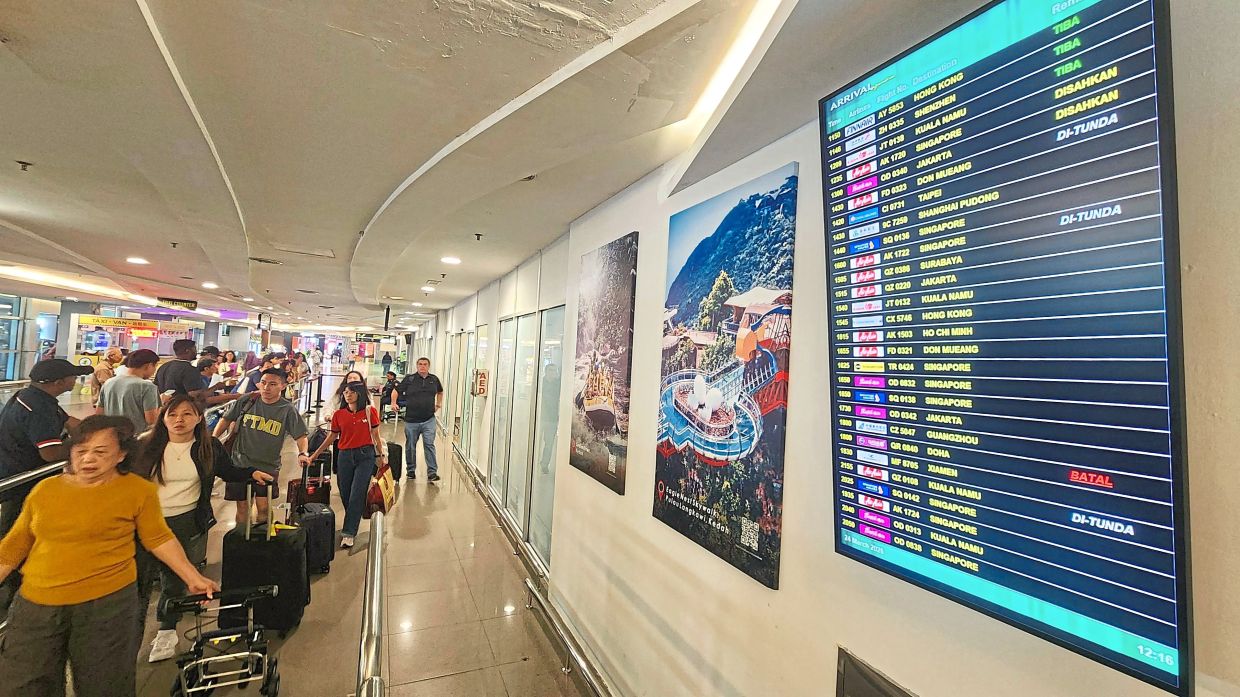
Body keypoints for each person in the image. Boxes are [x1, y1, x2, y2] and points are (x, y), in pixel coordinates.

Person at [0, 416, 217, 696]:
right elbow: (16, 543)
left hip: (106, 605)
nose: (88, 459)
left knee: (104, 684)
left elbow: (158, 537)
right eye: (81, 451)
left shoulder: (137, 491)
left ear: (122, 454)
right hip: (36, 605)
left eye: (100, 452)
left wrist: (192, 577)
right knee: (25, 684)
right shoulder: (46, 489)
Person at [134, 395, 273, 662]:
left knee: (175, 581)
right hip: (146, 523)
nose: (179, 420)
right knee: (138, 582)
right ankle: (131, 637)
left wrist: (251, 473)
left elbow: (228, 471)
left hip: (188, 521)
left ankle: (167, 629)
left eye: (187, 414)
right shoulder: (146, 446)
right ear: (163, 418)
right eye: (172, 414)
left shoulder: (208, 447)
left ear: (199, 418)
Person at [0, 359, 89, 610]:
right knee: (17, 533)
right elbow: (50, 453)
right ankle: (14, 591)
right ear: (60, 382)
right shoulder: (39, 408)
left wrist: (100, 432)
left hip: (13, 476)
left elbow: (70, 422)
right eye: (73, 376)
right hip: (22, 483)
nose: (76, 380)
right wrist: (85, 448)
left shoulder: (32, 396)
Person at [212, 368, 311, 525]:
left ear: (283, 386)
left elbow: (300, 435)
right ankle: (241, 539)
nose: (266, 388)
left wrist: (302, 453)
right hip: (240, 464)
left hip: (267, 465)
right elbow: (226, 419)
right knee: (242, 507)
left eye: (272, 384)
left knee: (263, 507)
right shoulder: (247, 400)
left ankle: (262, 541)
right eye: (263, 383)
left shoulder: (287, 409)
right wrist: (213, 440)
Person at [308, 382, 386, 548]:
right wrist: (314, 455)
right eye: (345, 392)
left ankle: (349, 531)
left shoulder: (369, 411)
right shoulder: (339, 414)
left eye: (351, 392)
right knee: (345, 492)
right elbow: (331, 437)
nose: (347, 395)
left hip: (365, 455)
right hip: (344, 456)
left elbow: (376, 436)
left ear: (359, 394)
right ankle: (355, 513)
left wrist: (381, 455)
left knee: (357, 492)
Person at [392, 357, 443, 481]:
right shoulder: (410, 379)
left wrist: (438, 404)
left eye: (425, 364)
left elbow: (440, 392)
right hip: (411, 420)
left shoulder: (434, 380)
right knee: (410, 446)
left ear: (428, 366)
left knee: (429, 444)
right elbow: (396, 390)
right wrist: (394, 403)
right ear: (417, 365)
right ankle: (410, 470)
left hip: (429, 419)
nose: (422, 366)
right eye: (420, 364)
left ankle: (432, 472)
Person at [96, 348, 161, 434]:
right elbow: (151, 421)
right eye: (155, 366)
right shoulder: (147, 387)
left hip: (113, 436)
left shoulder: (109, 383)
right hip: (136, 438)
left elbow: (99, 414)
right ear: (148, 366)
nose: (154, 371)